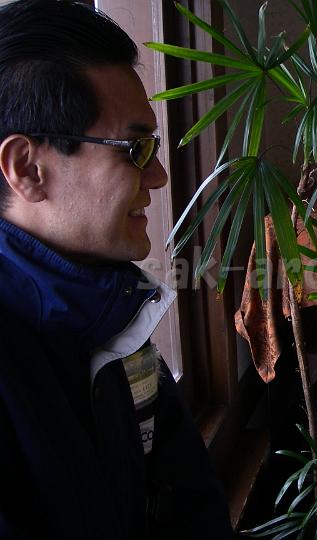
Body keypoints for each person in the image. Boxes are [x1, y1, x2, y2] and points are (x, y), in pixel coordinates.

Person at [0, 1, 234, 538]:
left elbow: (188, 502)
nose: (159, 177)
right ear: (27, 169)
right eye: (135, 149)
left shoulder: (112, 312)